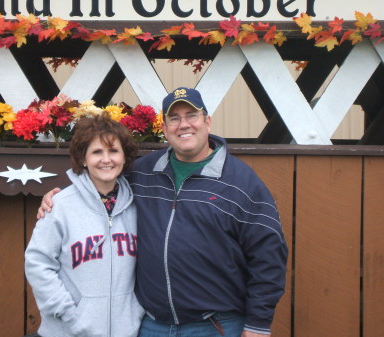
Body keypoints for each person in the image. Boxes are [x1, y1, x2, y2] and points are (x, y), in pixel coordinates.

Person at [38, 87, 288, 337]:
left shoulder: (242, 182)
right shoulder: (142, 173)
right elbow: (102, 180)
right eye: (174, 118)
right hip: (152, 325)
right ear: (165, 129)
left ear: (207, 122)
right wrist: (60, 199)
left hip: (215, 326)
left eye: (192, 115)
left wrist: (258, 324)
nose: (183, 125)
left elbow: (268, 255)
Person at [25, 112, 144, 337]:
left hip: (126, 331)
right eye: (97, 152)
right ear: (83, 159)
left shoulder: (138, 206)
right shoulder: (60, 206)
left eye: (113, 151)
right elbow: (38, 263)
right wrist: (69, 314)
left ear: (124, 157)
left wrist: (136, 312)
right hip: (68, 331)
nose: (106, 159)